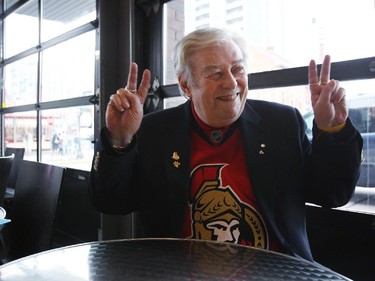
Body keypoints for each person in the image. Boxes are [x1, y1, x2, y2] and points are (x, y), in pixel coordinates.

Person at [89, 28, 363, 261]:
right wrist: (119, 139)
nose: (231, 82)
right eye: (215, 73)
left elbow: (333, 194)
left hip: (277, 273)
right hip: (178, 273)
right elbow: (109, 200)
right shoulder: (156, 131)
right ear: (186, 85)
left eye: (237, 69)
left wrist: (332, 129)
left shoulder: (281, 124)